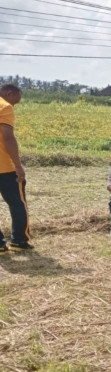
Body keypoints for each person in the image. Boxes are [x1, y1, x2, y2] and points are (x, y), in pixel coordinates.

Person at [0, 83, 32, 251]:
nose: (13, 106)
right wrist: (18, 166)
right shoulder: (4, 107)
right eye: (14, 101)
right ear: (9, 93)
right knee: (17, 203)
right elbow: (8, 138)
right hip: (4, 166)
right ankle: (18, 240)